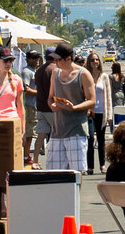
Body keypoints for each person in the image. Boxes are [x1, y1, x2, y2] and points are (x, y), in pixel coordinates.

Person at [47, 42, 96, 172]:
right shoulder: (55, 73)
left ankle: (75, 193)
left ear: (68, 59)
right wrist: (52, 105)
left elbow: (92, 101)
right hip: (57, 131)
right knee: (53, 173)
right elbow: (50, 97)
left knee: (76, 173)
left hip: (76, 130)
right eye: (54, 59)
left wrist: (73, 108)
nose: (56, 62)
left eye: (58, 60)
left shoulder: (83, 74)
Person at [86, 53, 113, 174]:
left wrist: (110, 115)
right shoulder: (85, 75)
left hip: (102, 111)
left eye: (97, 60)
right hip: (89, 112)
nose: (95, 62)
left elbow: (108, 96)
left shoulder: (104, 77)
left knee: (101, 140)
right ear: (88, 62)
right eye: (92, 60)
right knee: (90, 138)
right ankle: (90, 166)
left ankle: (102, 165)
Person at [33, 47, 57, 167]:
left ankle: (35, 160)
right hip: (52, 109)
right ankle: (54, 161)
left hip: (41, 107)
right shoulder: (55, 70)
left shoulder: (39, 70)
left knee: (41, 136)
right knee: (56, 136)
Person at [21, 50, 41, 167]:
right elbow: (26, 90)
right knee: (28, 133)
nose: (36, 60)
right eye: (34, 58)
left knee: (32, 133)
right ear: (28, 59)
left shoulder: (34, 71)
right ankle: (25, 155)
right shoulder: (26, 72)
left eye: (37, 57)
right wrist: (40, 93)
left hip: (34, 106)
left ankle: (27, 154)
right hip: (29, 106)